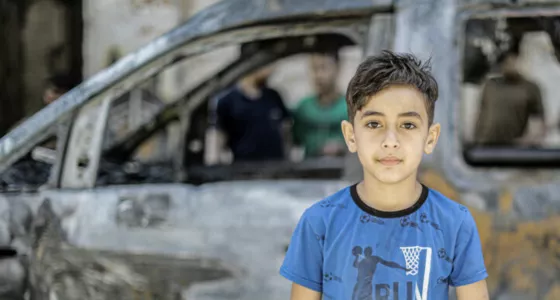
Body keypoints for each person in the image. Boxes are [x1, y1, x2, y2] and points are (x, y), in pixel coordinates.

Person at [280, 51, 489, 300]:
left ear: (430, 138)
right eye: (374, 124)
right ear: (350, 136)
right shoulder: (319, 223)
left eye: (408, 125)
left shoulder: (454, 223)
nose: (390, 141)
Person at [206, 64, 291, 164]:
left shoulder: (273, 96)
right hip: (244, 171)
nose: (271, 70)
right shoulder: (227, 101)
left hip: (276, 168)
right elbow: (218, 139)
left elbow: (286, 131)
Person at [474, 50, 546, 146]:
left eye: (512, 60)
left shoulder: (530, 88)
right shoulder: (491, 85)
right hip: (485, 146)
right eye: (506, 61)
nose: (509, 64)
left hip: (512, 149)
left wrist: (526, 142)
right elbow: (481, 114)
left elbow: (538, 124)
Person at [292, 52, 348, 158]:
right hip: (309, 171)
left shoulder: (349, 107)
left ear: (338, 68)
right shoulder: (304, 108)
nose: (318, 75)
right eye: (314, 69)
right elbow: (295, 140)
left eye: (324, 68)